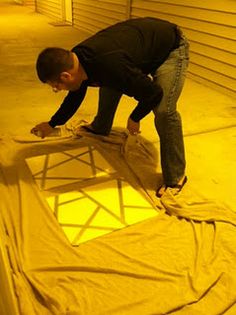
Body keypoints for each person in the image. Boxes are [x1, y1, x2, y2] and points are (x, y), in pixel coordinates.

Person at [31, 17, 189, 197]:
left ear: (66, 76)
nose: (56, 90)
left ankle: (176, 177)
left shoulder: (111, 64)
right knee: (108, 81)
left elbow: (153, 93)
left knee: (163, 111)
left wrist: (135, 117)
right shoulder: (77, 60)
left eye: (55, 85)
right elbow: (75, 95)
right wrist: (52, 124)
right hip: (141, 49)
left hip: (170, 48)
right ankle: (100, 127)